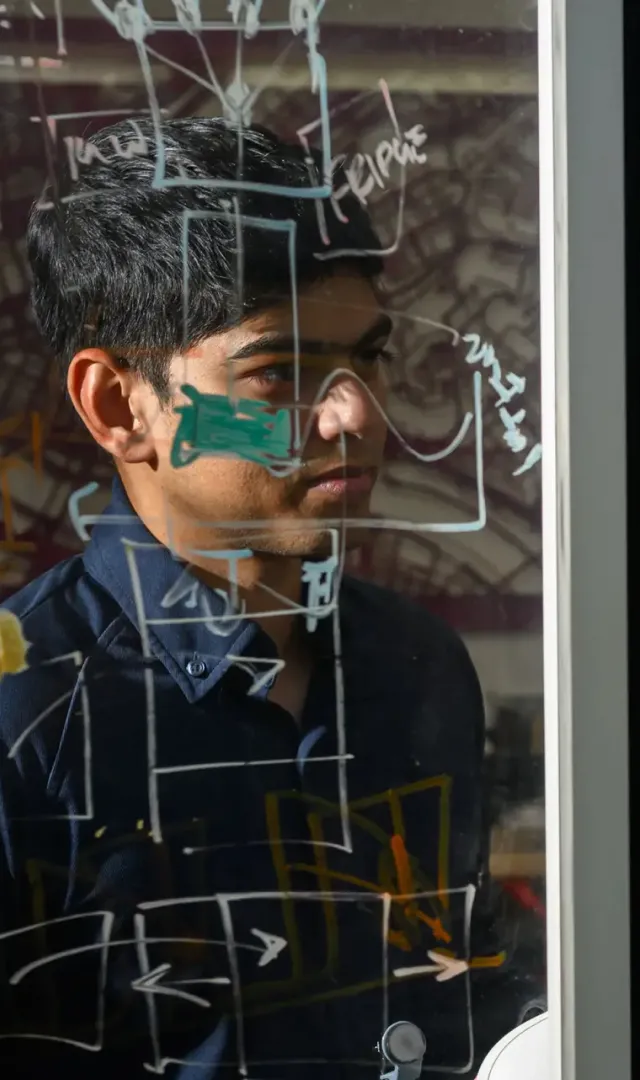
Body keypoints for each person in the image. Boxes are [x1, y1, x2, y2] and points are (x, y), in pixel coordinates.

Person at [0, 117, 535, 1076]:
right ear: (120, 405)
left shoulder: (414, 662)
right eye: (279, 372)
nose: (355, 413)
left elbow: (461, 968)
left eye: (369, 356)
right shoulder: (26, 708)